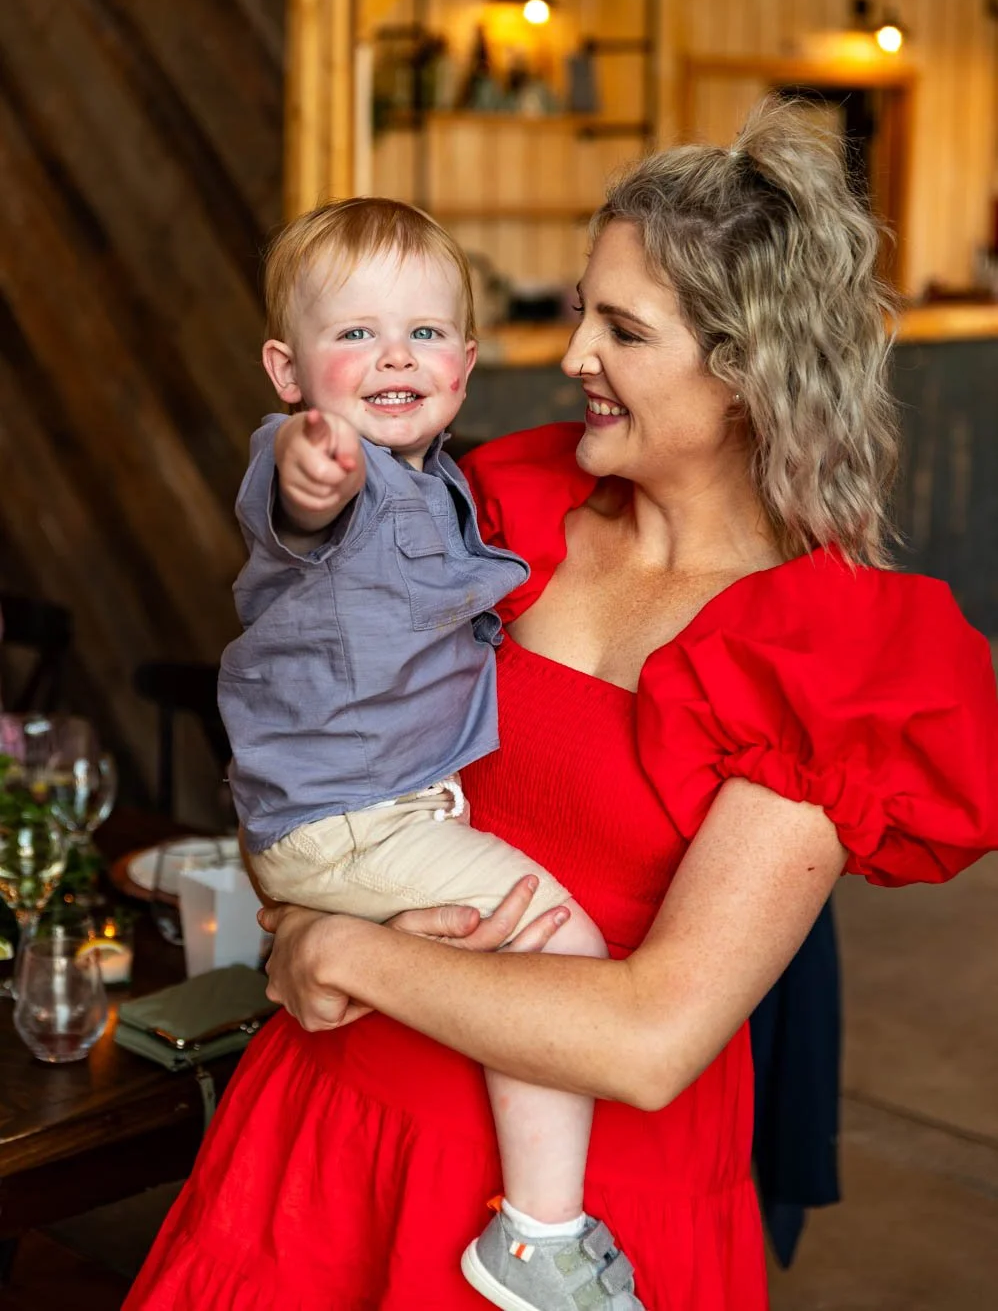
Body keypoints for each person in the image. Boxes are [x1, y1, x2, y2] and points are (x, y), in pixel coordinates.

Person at [124, 101, 998, 1311]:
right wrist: (290, 917)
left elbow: (647, 1041)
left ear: (747, 371)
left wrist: (342, 949)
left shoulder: (826, 654)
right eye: (583, 307)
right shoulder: (497, 507)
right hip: (339, 1129)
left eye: (621, 328)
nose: (572, 351)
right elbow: (317, 726)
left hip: (582, 1207)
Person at [217, 196, 636, 1311]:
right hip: (358, 817)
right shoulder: (321, 461)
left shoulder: (446, 475)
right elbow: (297, 505)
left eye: (422, 332)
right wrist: (316, 474)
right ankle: (540, 1240)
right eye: (352, 335)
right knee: (559, 947)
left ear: (465, 359)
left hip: (364, 817)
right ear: (288, 371)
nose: (390, 354)